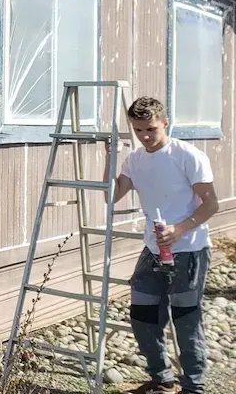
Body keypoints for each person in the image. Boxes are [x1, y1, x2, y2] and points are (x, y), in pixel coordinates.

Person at [109, 96, 220, 393]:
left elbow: (211, 204)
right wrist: (109, 161)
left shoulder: (188, 156)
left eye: (151, 129)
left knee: (185, 318)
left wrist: (180, 229)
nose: (145, 136)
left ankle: (193, 387)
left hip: (189, 249)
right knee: (142, 314)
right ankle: (162, 380)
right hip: (154, 248)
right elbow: (113, 195)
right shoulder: (134, 159)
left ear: (165, 123)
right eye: (138, 130)